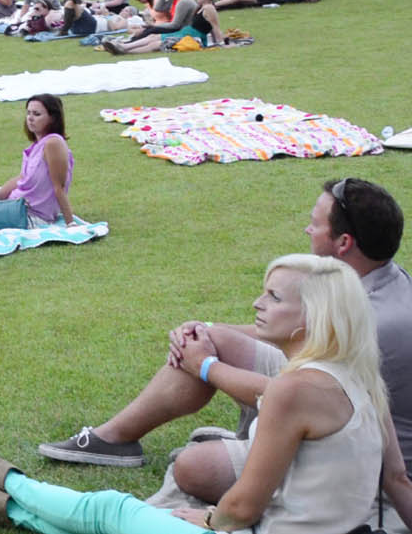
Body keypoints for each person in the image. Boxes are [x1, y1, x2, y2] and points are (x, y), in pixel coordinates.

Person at [0, 251, 412, 531]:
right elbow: (397, 481)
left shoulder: (296, 390)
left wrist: (207, 519)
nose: (257, 303)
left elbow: (244, 505)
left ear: (310, 317)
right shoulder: (362, 376)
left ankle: (0, 475)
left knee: (109, 511)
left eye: (273, 296)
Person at [35, 181, 412, 509]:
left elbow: (296, 396)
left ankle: (247, 442)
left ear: (344, 243)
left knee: (192, 467)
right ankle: (114, 438)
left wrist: (206, 367)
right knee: (208, 340)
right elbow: (301, 362)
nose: (306, 229)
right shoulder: (378, 281)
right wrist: (205, 330)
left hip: (338, 456)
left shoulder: (370, 321)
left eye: (314, 225)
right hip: (317, 405)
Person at [0, 96, 74, 227]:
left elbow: (59, 187)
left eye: (37, 114)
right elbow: (23, 178)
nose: (30, 118)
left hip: (31, 212)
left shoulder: (53, 143)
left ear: (52, 118)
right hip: (17, 200)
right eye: (28, 113)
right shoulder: (36, 145)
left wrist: (70, 223)